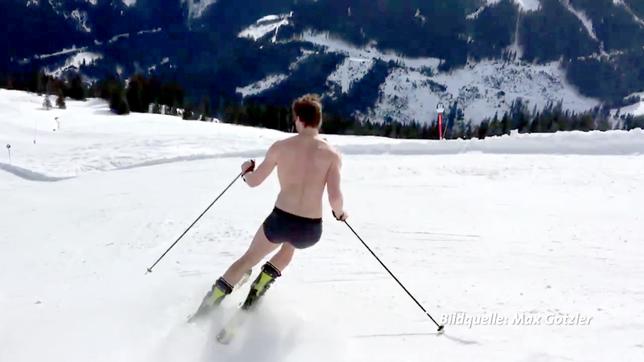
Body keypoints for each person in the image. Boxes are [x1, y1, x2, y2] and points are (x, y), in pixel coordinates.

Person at [191, 94, 348, 319]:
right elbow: (335, 199)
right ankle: (262, 284)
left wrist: (245, 170)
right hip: (310, 229)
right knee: (289, 246)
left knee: (249, 258)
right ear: (318, 121)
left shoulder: (281, 147)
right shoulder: (332, 155)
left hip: (280, 220)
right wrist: (340, 214)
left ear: (299, 120)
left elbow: (254, 182)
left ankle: (207, 307)